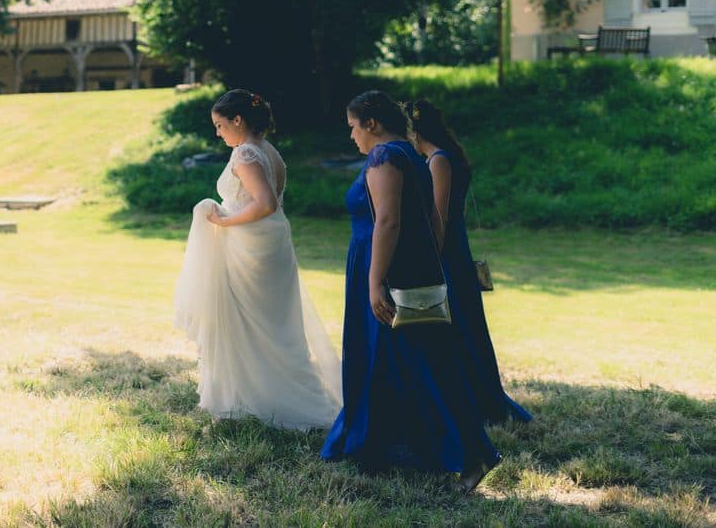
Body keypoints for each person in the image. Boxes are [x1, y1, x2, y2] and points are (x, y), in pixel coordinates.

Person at [320, 90, 499, 492]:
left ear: (371, 123)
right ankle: (392, 447)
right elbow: (432, 218)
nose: (351, 136)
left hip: (386, 271)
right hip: (405, 267)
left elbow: (388, 221)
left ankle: (470, 453)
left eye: (353, 127)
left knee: (417, 361)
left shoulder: (385, 157)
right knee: (406, 361)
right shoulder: (413, 155)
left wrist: (375, 281)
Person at [173, 89, 341, 430]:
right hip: (270, 245)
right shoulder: (269, 150)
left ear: (238, 120)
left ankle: (256, 401)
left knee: (245, 323)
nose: (218, 133)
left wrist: (223, 221)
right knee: (273, 325)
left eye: (220, 125)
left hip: (249, 250)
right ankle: (264, 396)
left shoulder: (246, 153)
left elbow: (265, 204)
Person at [402, 98, 531, 424]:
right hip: (452, 247)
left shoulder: (438, 161)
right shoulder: (440, 157)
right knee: (459, 321)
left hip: (448, 250)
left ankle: (477, 399)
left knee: (459, 321)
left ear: (414, 131)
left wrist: (430, 258)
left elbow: (439, 217)